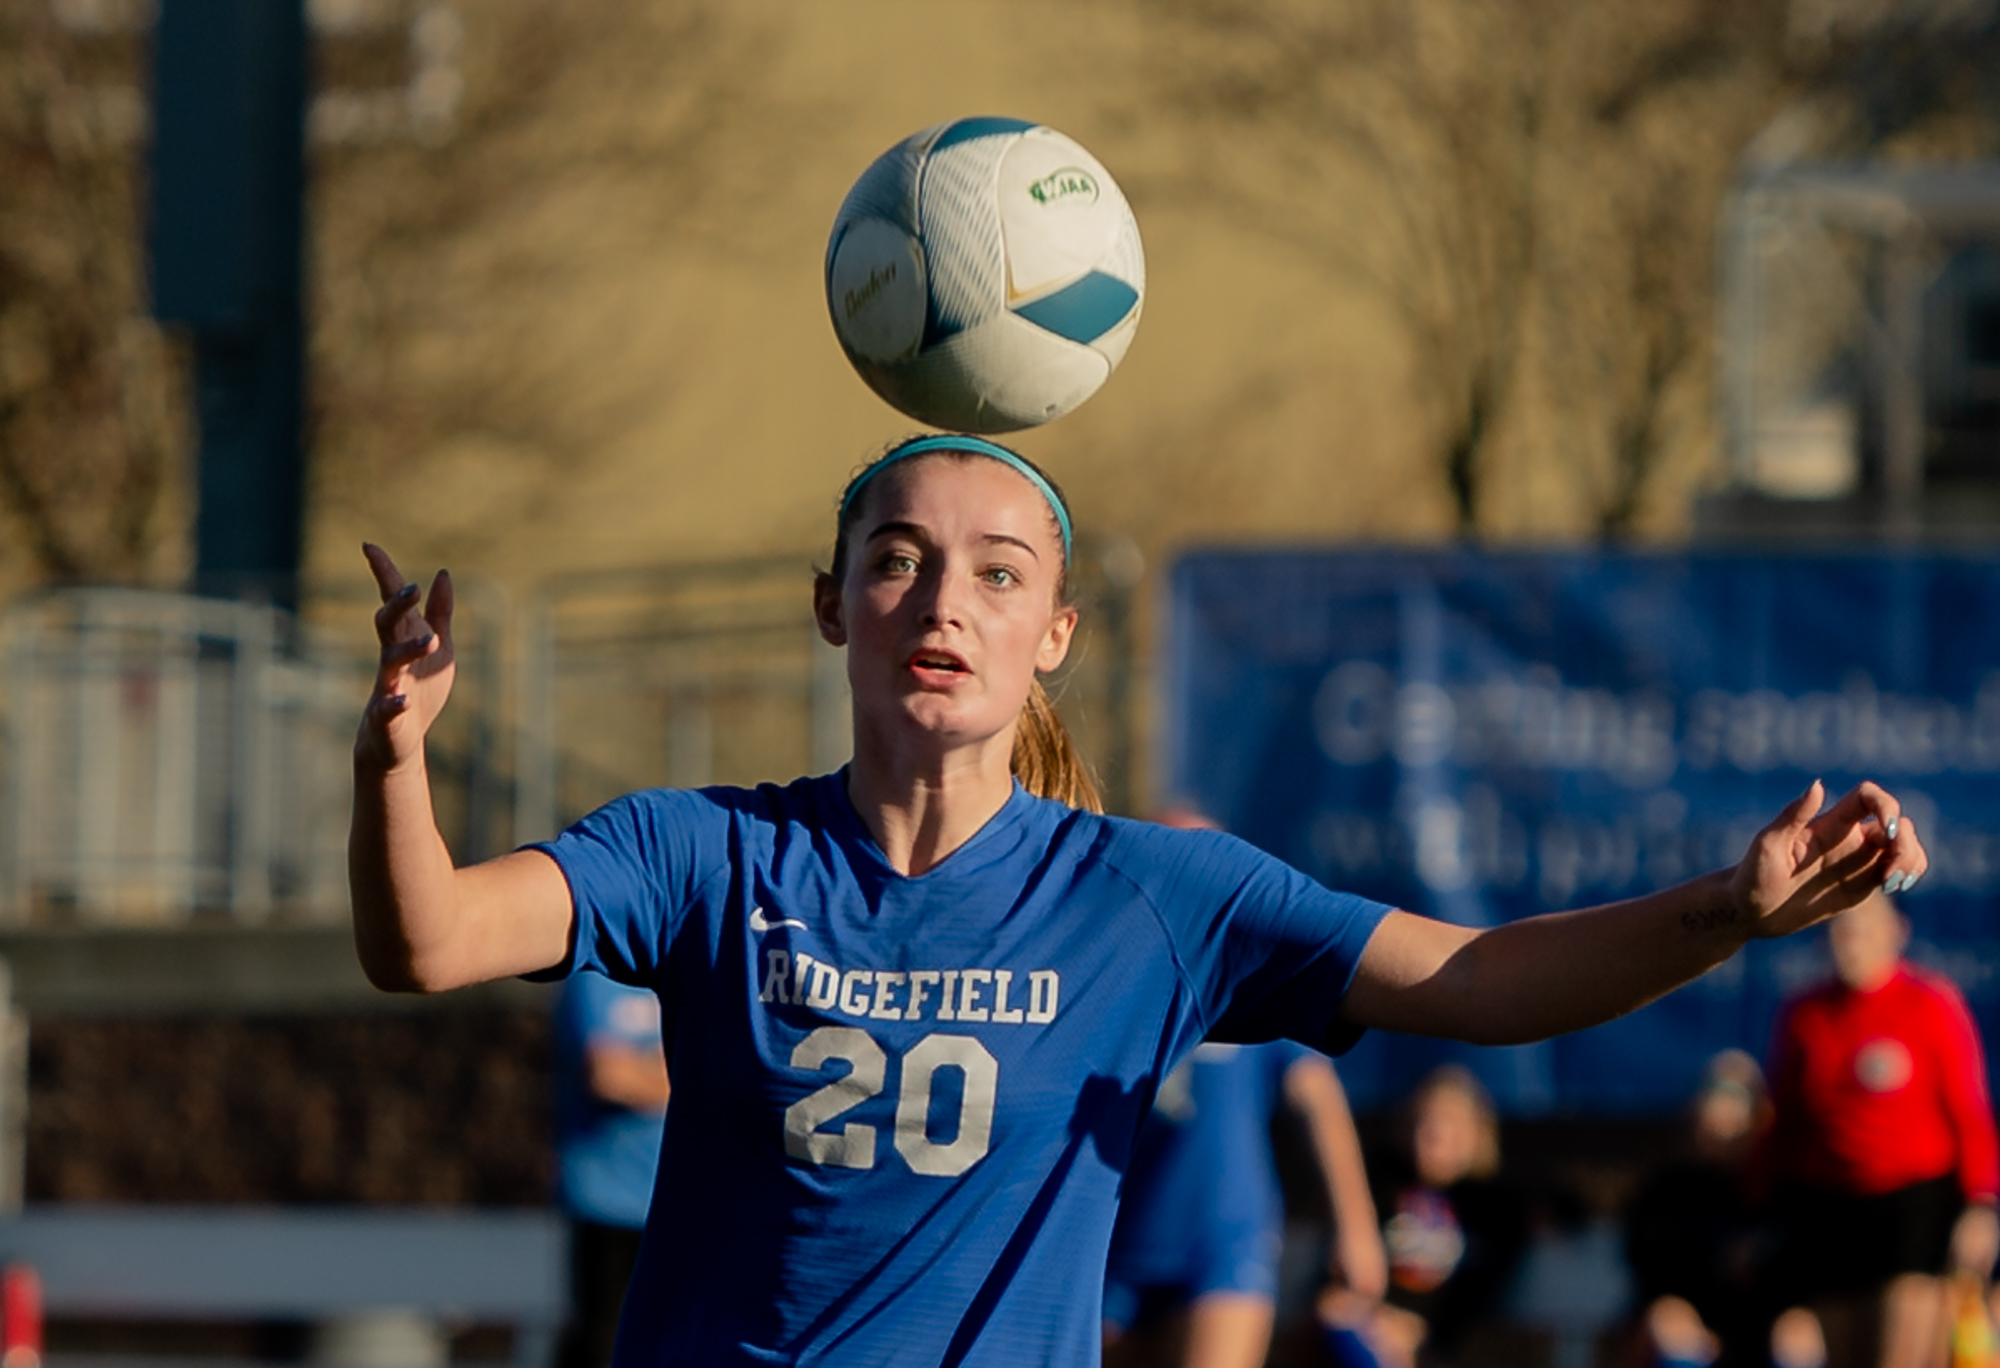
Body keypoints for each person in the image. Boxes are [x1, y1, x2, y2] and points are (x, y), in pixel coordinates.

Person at [350, 431, 1928, 1367]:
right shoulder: (704, 854)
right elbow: (425, 940)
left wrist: (1728, 908)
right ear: (831, 602)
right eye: (897, 560)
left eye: (998, 572)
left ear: (1055, 631)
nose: (943, 601)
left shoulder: (1149, 895)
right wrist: (397, 761)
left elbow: (1475, 983)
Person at [1103, 808, 1385, 1368]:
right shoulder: (1102, 977)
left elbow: (1316, 1100)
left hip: (1221, 1244)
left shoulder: (1252, 977)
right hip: (1111, 1244)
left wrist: (1355, 1225)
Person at [1758, 892, 1999, 1368]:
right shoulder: (1806, 1015)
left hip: (1911, 1207)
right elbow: (1784, 1121)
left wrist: (1981, 1204)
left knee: (1901, 1354)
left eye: (1863, 930)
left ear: (1895, 933)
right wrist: (1758, 1207)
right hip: (1829, 1208)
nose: (1850, 944)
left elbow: (1968, 1111)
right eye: (1839, 932)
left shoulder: (1929, 1004)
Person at [1102, 1038, 1385, 1368]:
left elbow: (1315, 1093)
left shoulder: (1247, 988)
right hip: (1117, 1240)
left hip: (1225, 1241)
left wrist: (1356, 1224)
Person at [1321, 1066, 1527, 1368]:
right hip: (1373, 1330)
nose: (1431, 1137)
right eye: (1424, 1124)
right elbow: (1339, 1277)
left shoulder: (1493, 1207)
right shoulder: (1379, 1186)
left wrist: (1428, 1333)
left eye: (1449, 1126)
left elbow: (1482, 1291)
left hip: (1441, 1342)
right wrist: (1378, 1317)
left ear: (1476, 1132)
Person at [554, 971, 671, 1368]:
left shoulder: (691, 968)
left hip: (676, 1201)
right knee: (602, 1340)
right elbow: (610, 1076)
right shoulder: (597, 977)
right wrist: (687, 1074)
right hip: (609, 1199)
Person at [1623, 1050, 1770, 1368]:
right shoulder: (1666, 1188)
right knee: (1669, 1320)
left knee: (1799, 1329)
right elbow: (1649, 1269)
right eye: (1716, 1094)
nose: (1724, 1112)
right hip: (1687, 1319)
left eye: (1739, 1098)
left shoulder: (1770, 1187)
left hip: (1753, 1321)